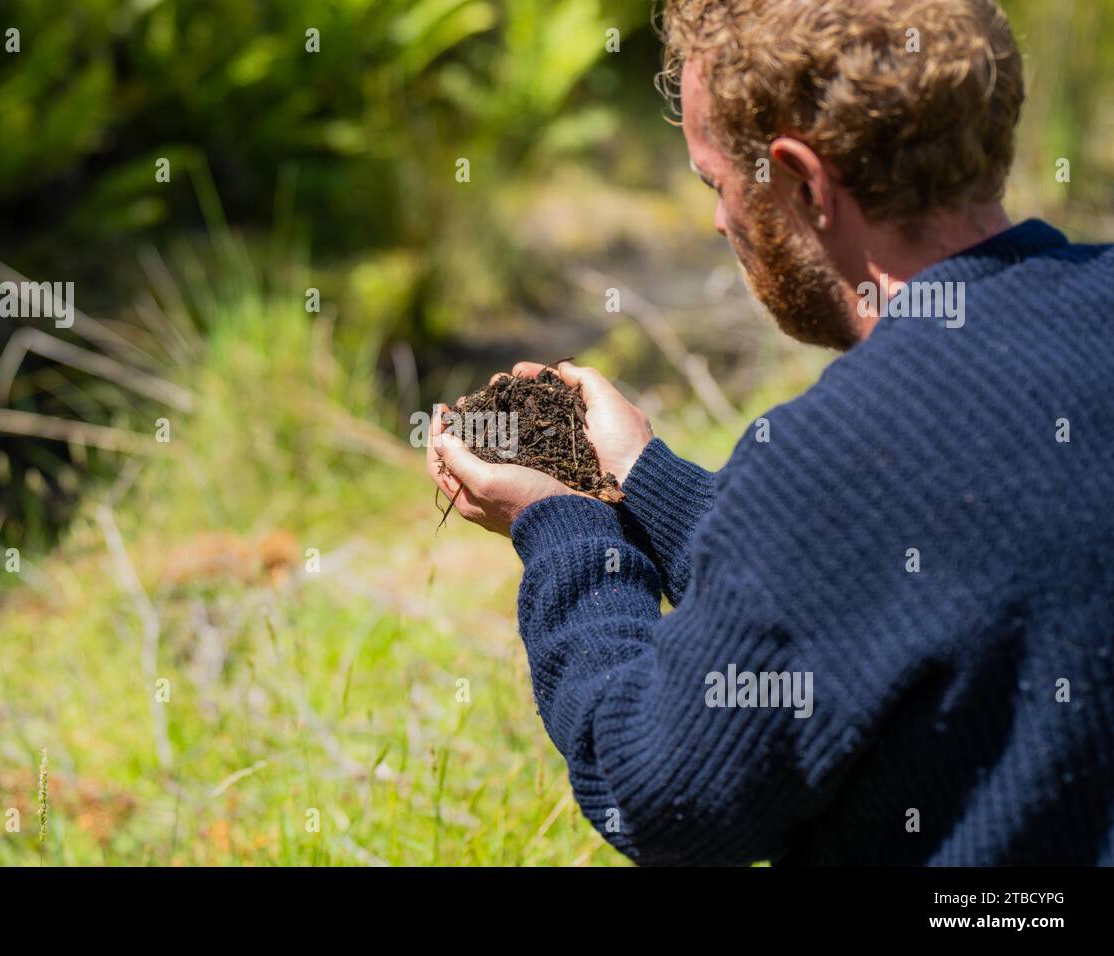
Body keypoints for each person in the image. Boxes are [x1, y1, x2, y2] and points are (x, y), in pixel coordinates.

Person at [425, 0, 1114, 865]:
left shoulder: (835, 456)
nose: (719, 221)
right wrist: (642, 477)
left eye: (716, 181)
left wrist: (568, 532)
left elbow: (654, 789)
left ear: (803, 183)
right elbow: (889, 567)